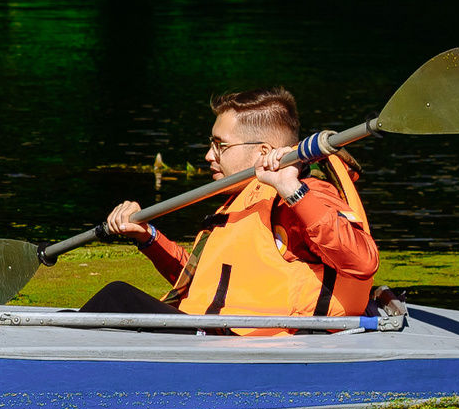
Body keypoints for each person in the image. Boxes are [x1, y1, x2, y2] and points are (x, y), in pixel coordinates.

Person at [84, 85, 377, 330]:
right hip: (210, 332)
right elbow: (203, 282)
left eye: (220, 145)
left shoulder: (305, 195)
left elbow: (363, 262)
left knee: (118, 297)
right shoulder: (239, 202)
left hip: (254, 343)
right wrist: (147, 237)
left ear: (263, 152)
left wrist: (291, 188)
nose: (209, 155)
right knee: (101, 307)